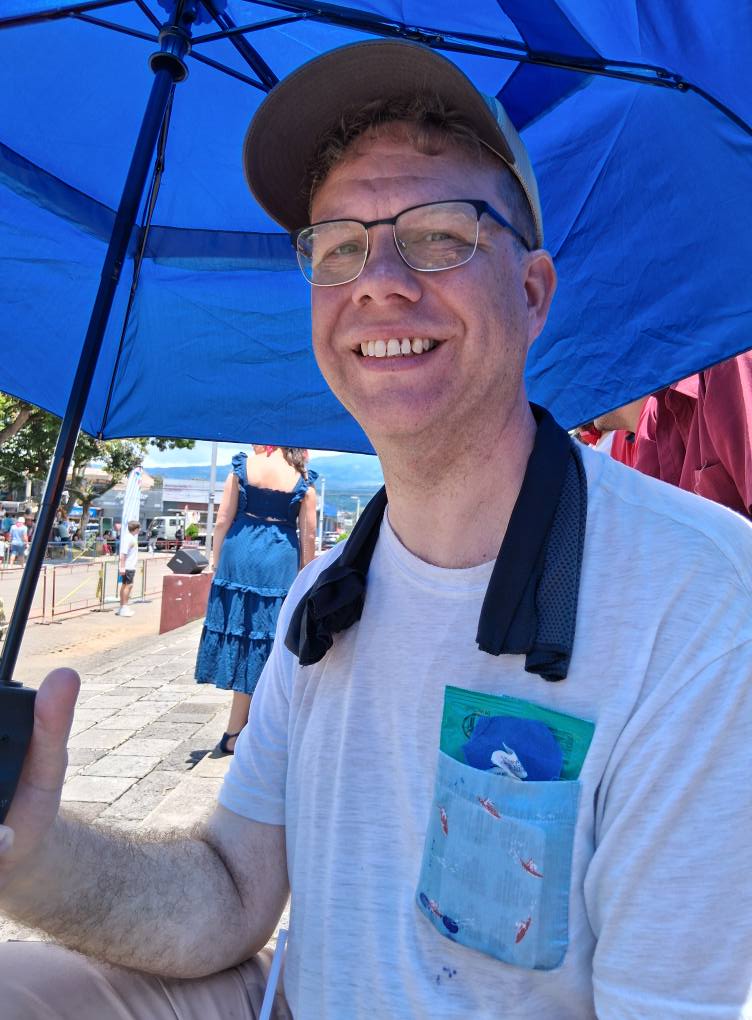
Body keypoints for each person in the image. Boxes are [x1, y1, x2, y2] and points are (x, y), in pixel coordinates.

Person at [1, 39, 752, 1020]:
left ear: (532, 293)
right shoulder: (321, 602)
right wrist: (29, 852)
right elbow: (229, 894)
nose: (378, 280)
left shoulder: (697, 601)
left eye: (439, 234)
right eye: (338, 245)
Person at [195, 446, 317, 755]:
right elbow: (309, 535)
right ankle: (251, 729)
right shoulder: (303, 478)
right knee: (269, 642)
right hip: (279, 559)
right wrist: (306, 576)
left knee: (245, 639)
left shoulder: (241, 468)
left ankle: (236, 730)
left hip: (239, 555)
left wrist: (217, 562)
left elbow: (222, 520)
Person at [115, 519, 140, 618]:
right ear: (136, 529)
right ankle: (124, 607)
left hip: (129, 566)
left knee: (125, 585)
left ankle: (122, 607)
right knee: (128, 586)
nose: (139, 530)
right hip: (128, 566)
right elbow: (123, 554)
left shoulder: (131, 538)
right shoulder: (129, 538)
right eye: (138, 528)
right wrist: (122, 567)